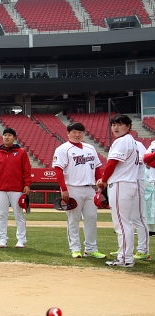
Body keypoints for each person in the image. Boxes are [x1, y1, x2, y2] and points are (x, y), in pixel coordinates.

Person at [52, 122, 106, 259]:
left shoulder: (90, 148)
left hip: (90, 188)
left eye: (80, 132)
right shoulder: (63, 149)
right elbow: (58, 170)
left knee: (91, 219)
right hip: (72, 188)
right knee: (73, 219)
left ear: (84, 133)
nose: (77, 135)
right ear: (68, 133)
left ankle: (91, 249)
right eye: (74, 132)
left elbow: (97, 167)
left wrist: (100, 182)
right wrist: (64, 189)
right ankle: (75, 248)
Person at [96, 114, 138, 267]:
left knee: (121, 224)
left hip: (121, 184)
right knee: (125, 223)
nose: (115, 127)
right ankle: (126, 257)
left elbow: (112, 163)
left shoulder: (122, 141)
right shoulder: (132, 141)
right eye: (113, 125)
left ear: (128, 127)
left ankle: (125, 258)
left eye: (120, 124)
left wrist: (104, 180)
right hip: (128, 183)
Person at [0, 127, 31, 248]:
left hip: (17, 188)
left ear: (14, 137)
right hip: (1, 189)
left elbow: (26, 170)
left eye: (9, 135)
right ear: (2, 137)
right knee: (2, 215)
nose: (7, 137)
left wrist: (27, 184)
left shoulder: (21, 152)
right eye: (5, 135)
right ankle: (2, 239)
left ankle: (21, 240)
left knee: (19, 215)